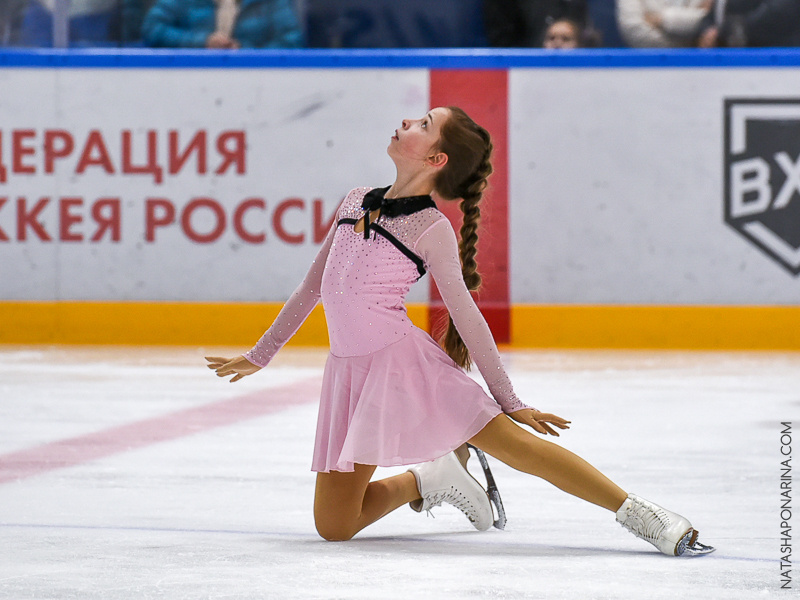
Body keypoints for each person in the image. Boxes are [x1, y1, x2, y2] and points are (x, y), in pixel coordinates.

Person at [206, 106, 713, 556]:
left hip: (402, 368)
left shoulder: (431, 228)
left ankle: (646, 516)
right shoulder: (354, 200)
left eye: (424, 125)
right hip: (349, 375)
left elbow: (466, 315)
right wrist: (261, 353)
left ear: (436, 160)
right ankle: (432, 477)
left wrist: (509, 400)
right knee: (334, 526)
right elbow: (313, 286)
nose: (407, 121)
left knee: (520, 450)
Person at [141, 0, 302, 49]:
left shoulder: (272, 3)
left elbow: (291, 40)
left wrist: (244, 52)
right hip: (191, 82)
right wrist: (203, 42)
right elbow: (152, 29)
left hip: (255, 84)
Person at [696, 0, 800, 47]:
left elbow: (774, 15)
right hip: (728, 65)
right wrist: (705, 31)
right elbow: (712, 17)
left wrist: (720, 33)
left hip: (776, 66)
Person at [616, 0, 711, 47]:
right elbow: (633, 28)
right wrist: (690, 42)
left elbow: (709, 20)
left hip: (699, 65)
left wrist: (664, 19)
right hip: (647, 66)